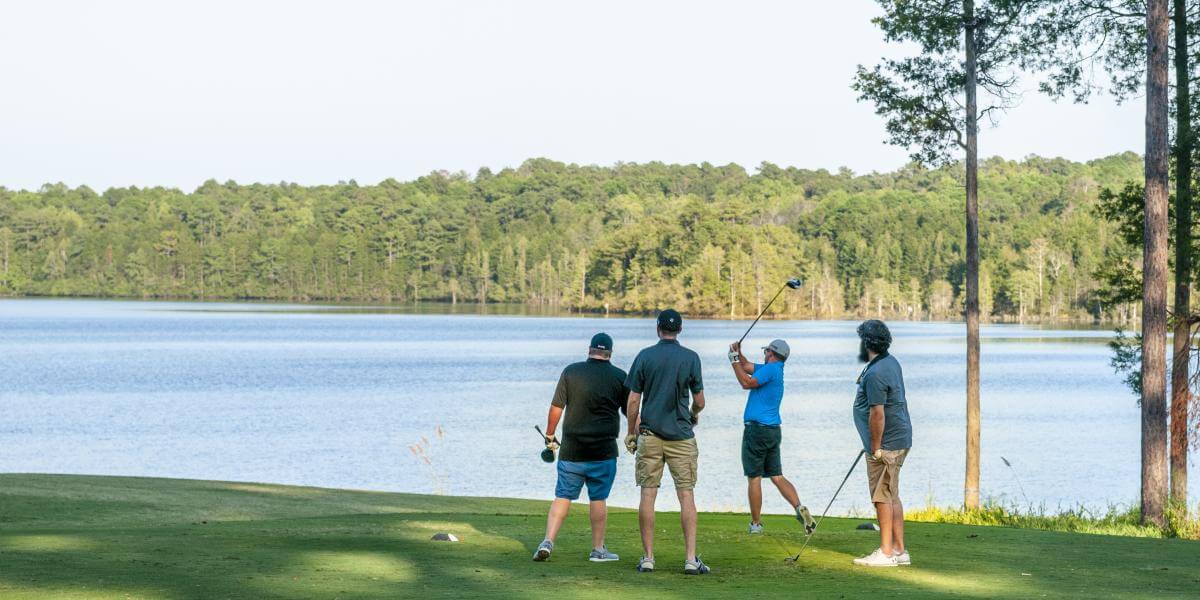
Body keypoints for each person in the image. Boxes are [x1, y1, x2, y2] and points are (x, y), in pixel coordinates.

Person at [623, 309, 709, 575]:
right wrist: (693, 415)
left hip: (650, 436)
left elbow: (634, 400)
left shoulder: (645, 356)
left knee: (648, 495)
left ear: (658, 328)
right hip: (682, 437)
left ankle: (648, 557)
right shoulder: (691, 358)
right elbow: (700, 401)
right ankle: (690, 559)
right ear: (680, 330)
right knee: (686, 496)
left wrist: (630, 432)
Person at [532, 332, 629, 563]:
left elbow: (557, 407)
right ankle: (598, 550)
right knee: (598, 498)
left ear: (589, 350)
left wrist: (549, 434)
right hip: (603, 451)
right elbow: (630, 410)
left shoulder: (571, 372)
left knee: (562, 496)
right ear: (610, 353)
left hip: (572, 450)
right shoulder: (620, 377)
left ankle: (548, 541)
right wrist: (635, 432)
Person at [727, 338, 815, 535]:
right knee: (776, 476)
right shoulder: (774, 370)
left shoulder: (771, 368)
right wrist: (738, 354)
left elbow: (746, 382)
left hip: (757, 431)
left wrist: (733, 360)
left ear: (771, 353)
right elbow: (747, 366)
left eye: (766, 351)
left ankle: (756, 524)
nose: (764, 354)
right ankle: (800, 509)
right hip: (773, 431)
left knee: (754, 478)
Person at [850, 319, 913, 567]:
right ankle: (899, 549)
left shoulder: (876, 372)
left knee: (881, 497)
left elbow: (878, 413)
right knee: (891, 494)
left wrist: (875, 446)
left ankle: (886, 553)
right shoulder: (889, 362)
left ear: (867, 342)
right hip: (895, 439)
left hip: (886, 443)